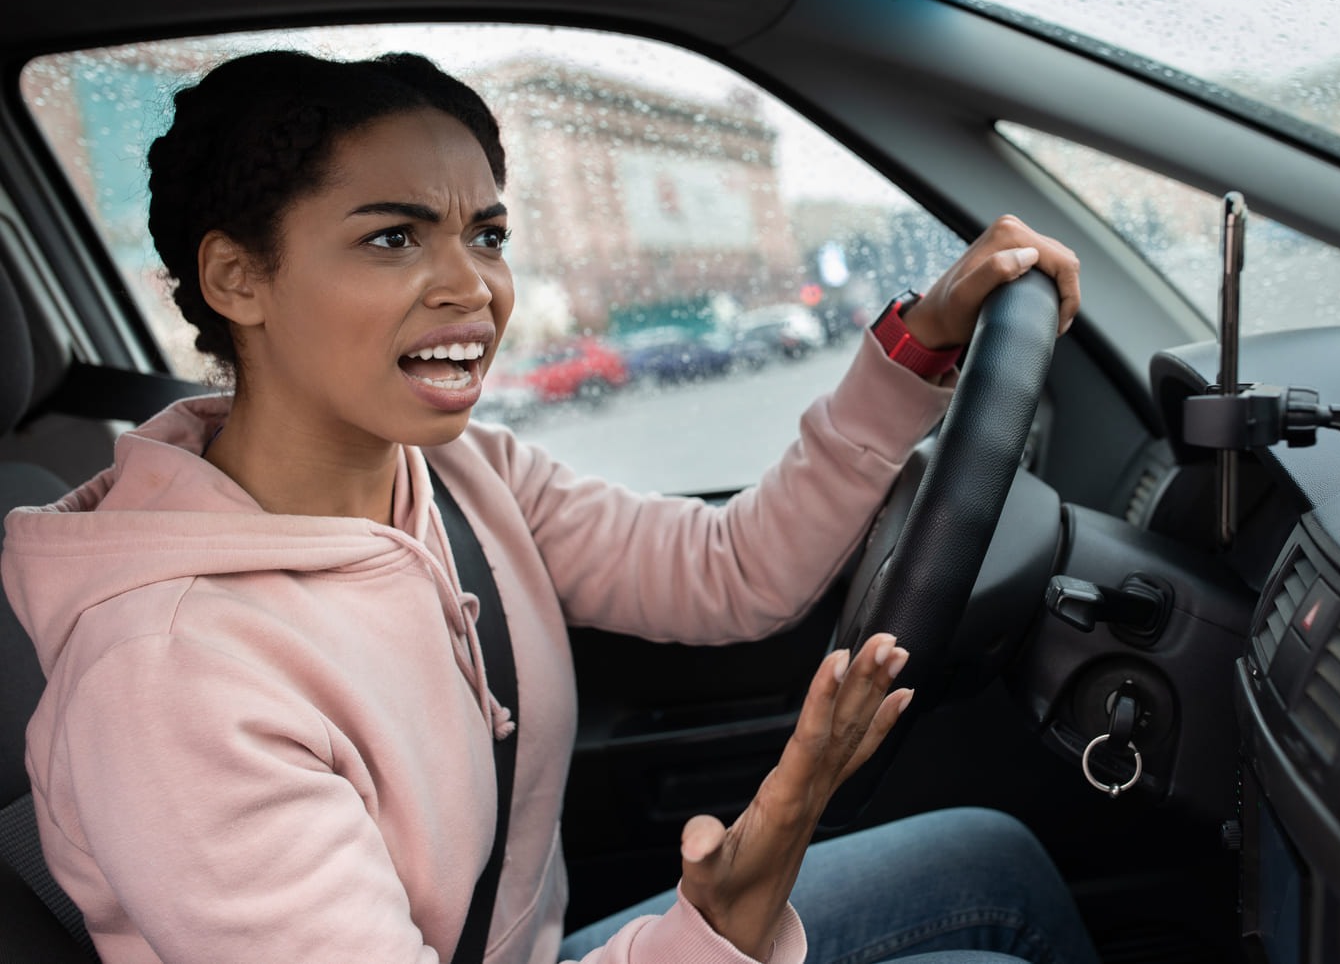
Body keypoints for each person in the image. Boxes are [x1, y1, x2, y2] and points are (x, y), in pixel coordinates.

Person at [0, 51, 1091, 964]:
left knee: (994, 859)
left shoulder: (461, 474)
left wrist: (917, 347)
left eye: (485, 233)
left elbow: (730, 569)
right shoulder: (171, 682)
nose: (472, 286)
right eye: (393, 237)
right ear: (238, 279)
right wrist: (728, 913)